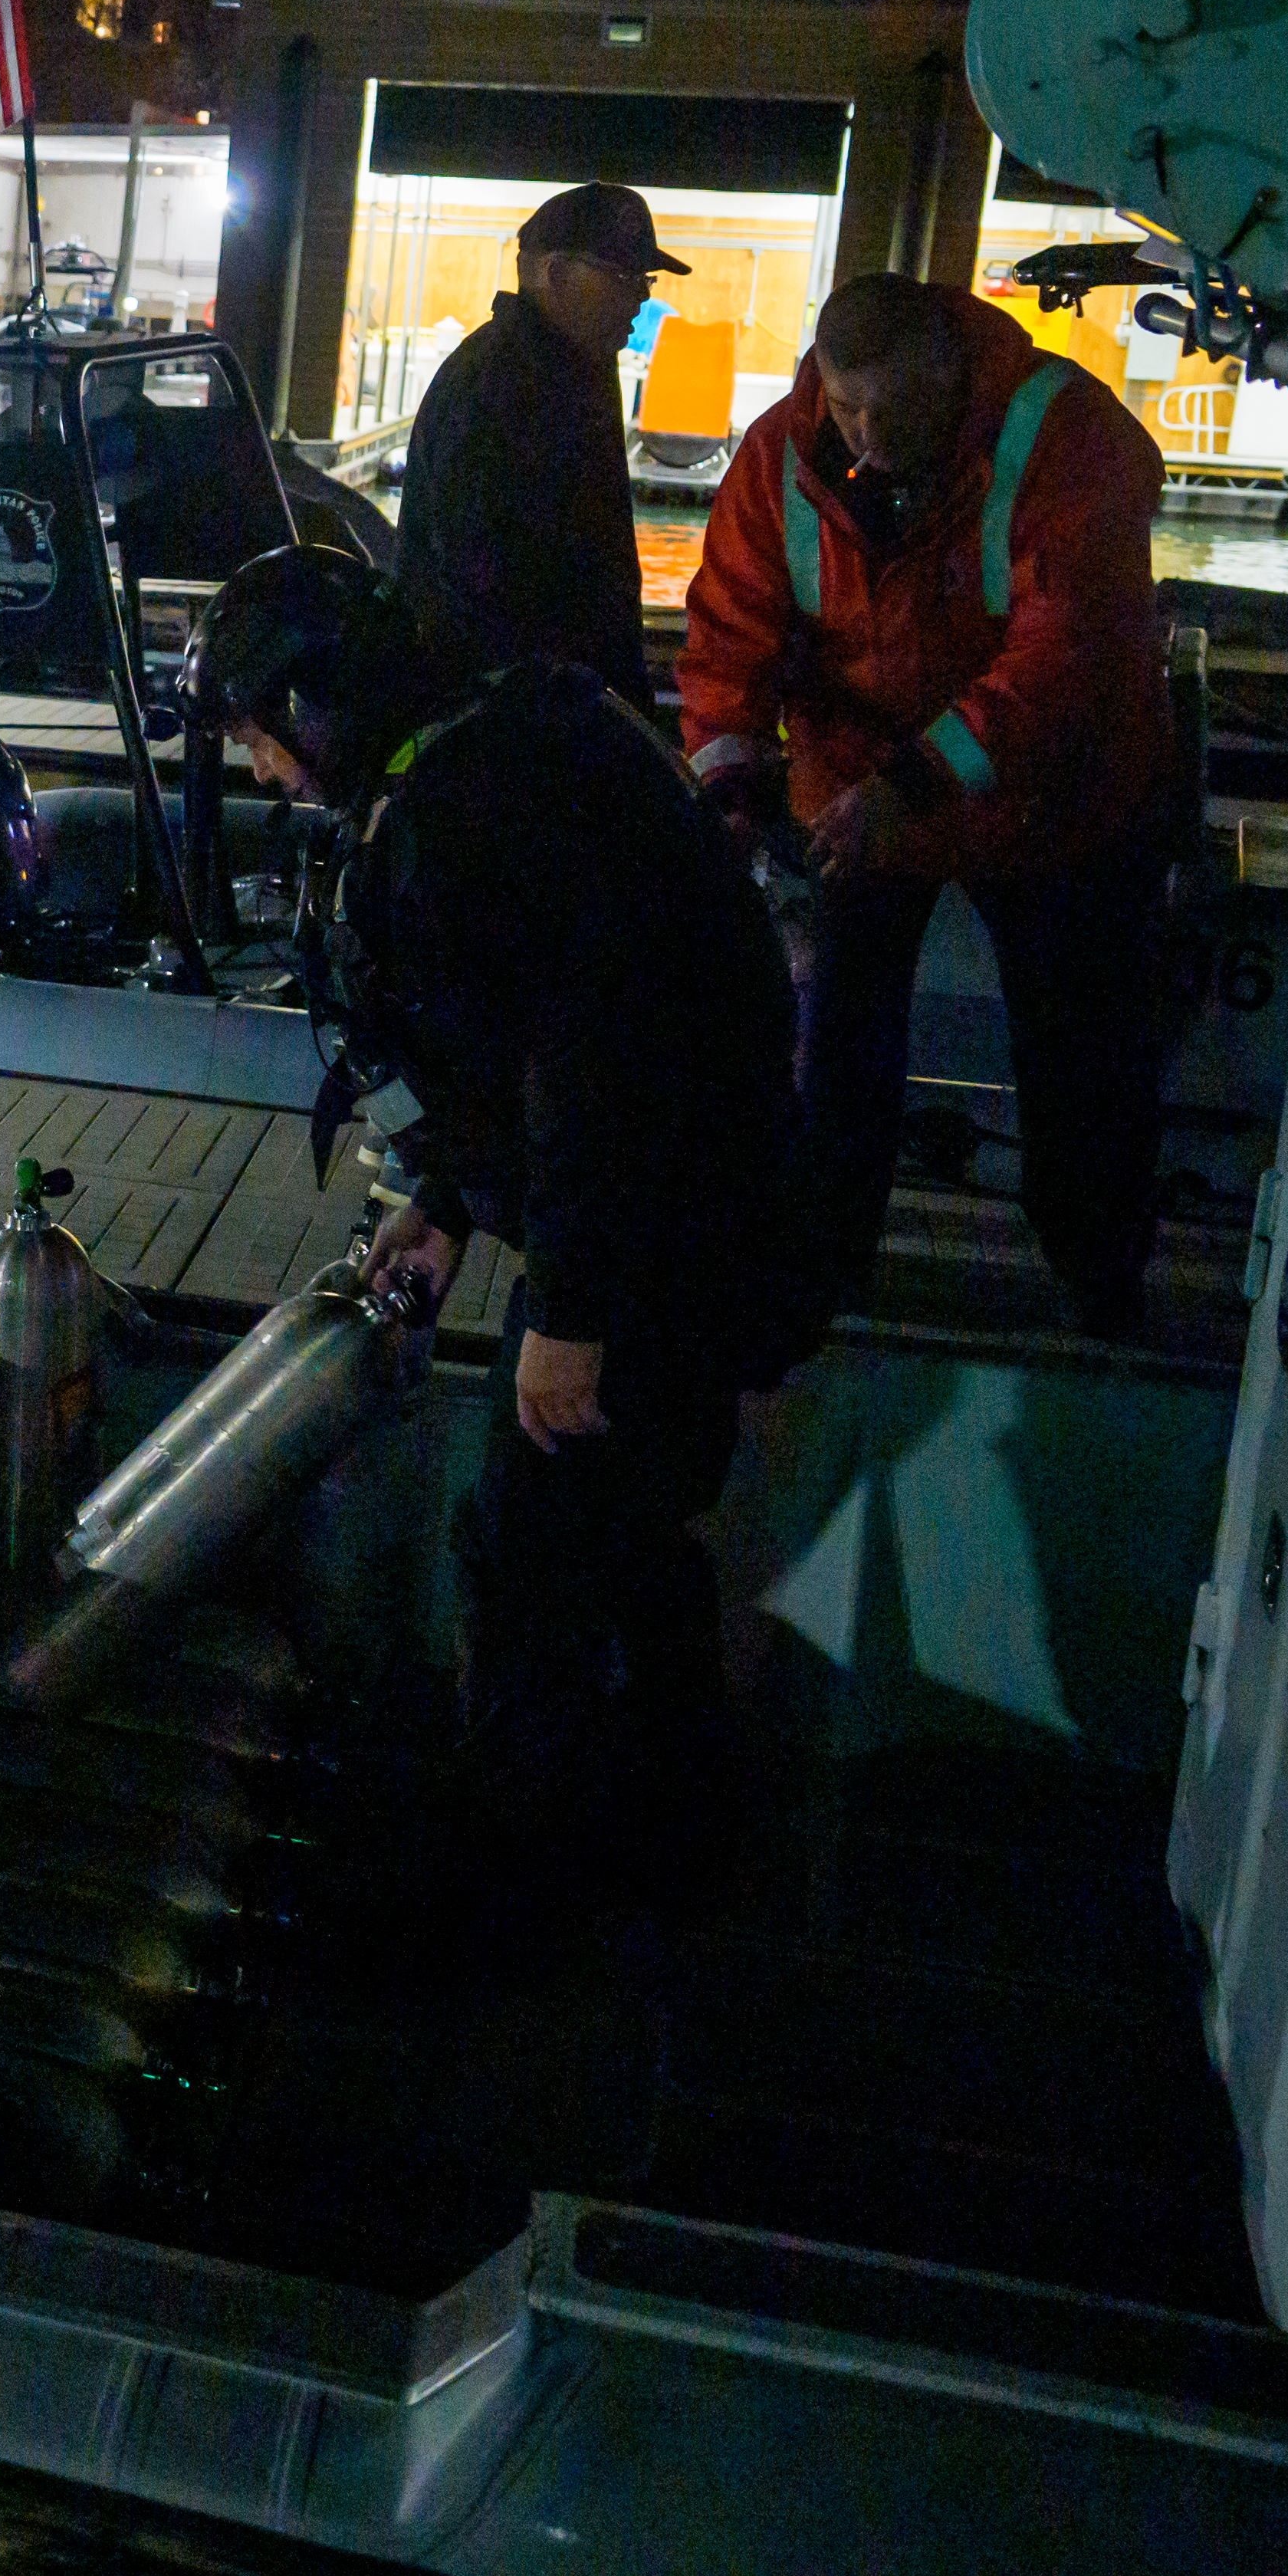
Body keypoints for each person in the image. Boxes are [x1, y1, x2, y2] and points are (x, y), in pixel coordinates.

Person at [197, 544, 807, 1874]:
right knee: (631, 1528)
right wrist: (445, 1201)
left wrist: (571, 1316)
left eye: (259, 742)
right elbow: (517, 1036)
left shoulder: (476, 806)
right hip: (690, 1214)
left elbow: (598, 1066)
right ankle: (684, 1833)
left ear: (314, 709)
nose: (260, 777)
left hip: (655, 1241)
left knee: (530, 1551)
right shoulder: (490, 755)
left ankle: (514, 1879)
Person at [678, 270, 1175, 1341]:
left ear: (951, 375)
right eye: (846, 406)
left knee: (1080, 1050)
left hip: (1053, 803)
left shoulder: (1067, 438)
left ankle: (1099, 1286)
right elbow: (729, 633)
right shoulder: (781, 454)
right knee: (837, 1042)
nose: (864, 433)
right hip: (860, 794)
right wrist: (729, 785)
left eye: (891, 412)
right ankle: (820, 1277)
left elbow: (1068, 658)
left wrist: (907, 785)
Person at [390, 181, 682, 701]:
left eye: (646, 278)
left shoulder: (574, 368)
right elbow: (480, 582)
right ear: (557, 275)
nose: (641, 294)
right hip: (512, 723)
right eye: (623, 276)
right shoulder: (498, 383)